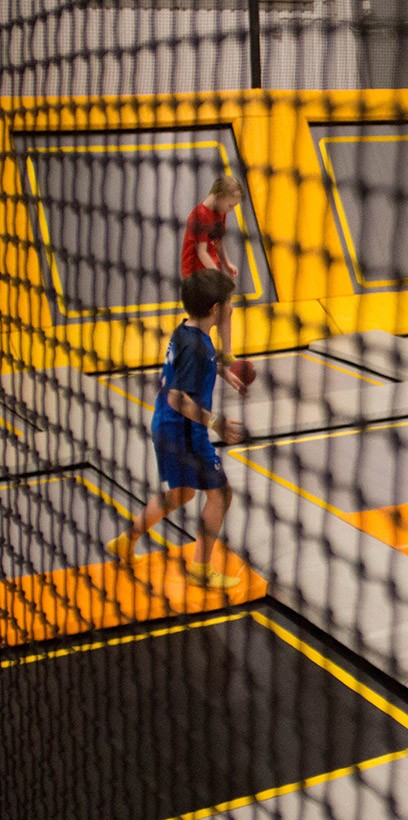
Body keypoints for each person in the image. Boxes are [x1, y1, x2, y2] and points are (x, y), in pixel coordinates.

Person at [106, 270, 247, 590]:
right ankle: (200, 568)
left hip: (167, 428)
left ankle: (126, 541)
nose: (232, 307)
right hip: (185, 432)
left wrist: (221, 370)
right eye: (229, 303)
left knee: (180, 493)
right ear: (215, 308)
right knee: (221, 495)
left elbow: (194, 366)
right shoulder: (198, 347)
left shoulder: (187, 332)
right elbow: (177, 397)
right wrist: (217, 423)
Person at [182, 175, 248, 396]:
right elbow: (200, 251)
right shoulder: (201, 214)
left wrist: (227, 264)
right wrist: (219, 279)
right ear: (219, 196)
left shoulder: (220, 213)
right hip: (195, 271)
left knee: (227, 309)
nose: (231, 209)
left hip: (211, 266)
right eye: (230, 204)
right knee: (208, 316)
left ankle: (227, 353)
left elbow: (217, 242)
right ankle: (202, 358)